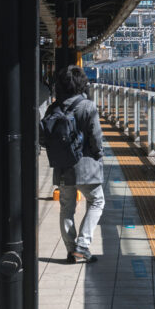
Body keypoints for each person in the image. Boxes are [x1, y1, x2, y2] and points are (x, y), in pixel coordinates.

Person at [43, 66, 105, 263]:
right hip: (86, 165)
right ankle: (82, 245)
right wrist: (98, 154)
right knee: (97, 201)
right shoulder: (87, 106)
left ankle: (71, 249)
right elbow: (96, 137)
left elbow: (44, 137)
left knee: (66, 207)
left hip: (62, 166)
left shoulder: (54, 108)